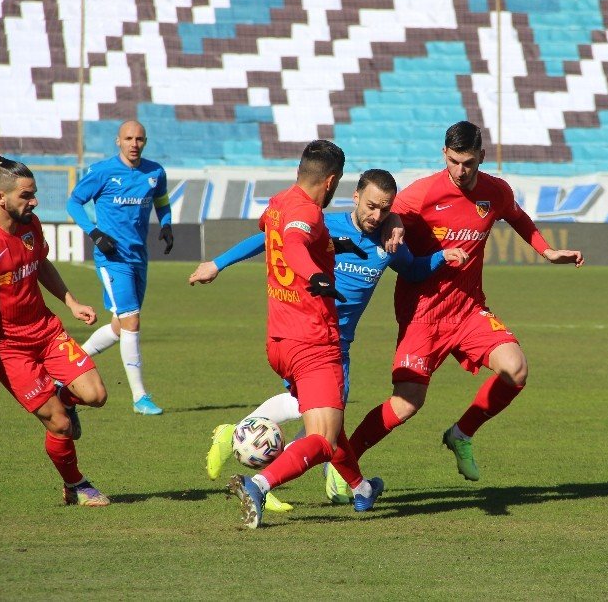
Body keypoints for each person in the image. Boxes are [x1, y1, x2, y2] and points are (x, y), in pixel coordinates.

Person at [190, 169, 468, 504]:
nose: (376, 215)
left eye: (384, 208)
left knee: (319, 418)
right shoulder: (324, 225)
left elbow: (413, 269)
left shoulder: (390, 241)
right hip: (310, 337)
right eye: (370, 206)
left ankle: (349, 485)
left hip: (338, 343)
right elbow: (269, 238)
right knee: (323, 425)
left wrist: (441, 256)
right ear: (355, 197)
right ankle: (271, 477)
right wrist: (218, 263)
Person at [347, 121, 584, 482]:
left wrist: (547, 251)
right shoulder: (424, 192)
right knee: (407, 403)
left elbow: (518, 218)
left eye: (469, 163)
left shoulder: (495, 191)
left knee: (516, 368)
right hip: (423, 313)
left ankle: (461, 434)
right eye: (454, 161)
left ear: (481, 158)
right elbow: (389, 210)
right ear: (445, 154)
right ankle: (345, 461)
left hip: (469, 308)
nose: (460, 170)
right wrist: (394, 220)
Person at [221, 139, 385, 529]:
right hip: (313, 341)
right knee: (323, 438)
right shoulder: (308, 212)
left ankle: (361, 488)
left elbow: (274, 236)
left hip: (279, 341)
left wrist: (331, 247)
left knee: (331, 422)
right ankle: (258, 484)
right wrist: (315, 275)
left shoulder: (278, 202)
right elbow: (295, 243)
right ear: (331, 182)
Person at [0, 156, 111, 506]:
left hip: (46, 331)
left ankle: (66, 399)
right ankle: (77, 486)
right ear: (0, 197)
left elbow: (40, 264)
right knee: (60, 425)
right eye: (26, 195)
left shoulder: (30, 225)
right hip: (8, 348)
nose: (34, 201)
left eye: (33, 194)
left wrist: (70, 302)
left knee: (97, 394)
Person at [67, 120, 173, 415]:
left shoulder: (155, 172)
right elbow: (74, 202)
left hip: (140, 257)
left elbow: (161, 200)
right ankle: (140, 397)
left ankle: (71, 363)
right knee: (132, 321)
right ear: (118, 141)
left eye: (139, 139)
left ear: (145, 141)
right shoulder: (102, 171)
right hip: (112, 258)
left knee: (119, 326)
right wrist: (94, 232)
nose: (134, 144)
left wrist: (166, 224)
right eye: (128, 138)